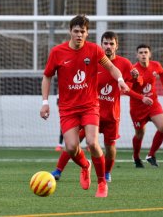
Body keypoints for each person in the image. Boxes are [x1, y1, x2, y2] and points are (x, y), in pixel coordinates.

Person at [40, 15, 129, 198]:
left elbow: (112, 67)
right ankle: (85, 165)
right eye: (76, 31)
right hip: (67, 108)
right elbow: (47, 76)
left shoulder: (94, 50)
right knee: (71, 147)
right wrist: (45, 102)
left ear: (87, 33)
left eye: (83, 31)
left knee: (91, 142)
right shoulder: (57, 52)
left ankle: (102, 183)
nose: (79, 35)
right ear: (70, 32)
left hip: (90, 106)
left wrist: (120, 79)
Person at [50, 31, 139, 183]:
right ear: (101, 44)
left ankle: (106, 173)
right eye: (105, 43)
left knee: (110, 147)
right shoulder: (91, 60)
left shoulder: (123, 64)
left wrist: (137, 78)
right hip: (90, 111)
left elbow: (133, 84)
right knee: (73, 141)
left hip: (111, 114)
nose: (108, 46)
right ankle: (58, 170)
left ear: (116, 46)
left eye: (111, 43)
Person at [130, 44, 163, 168]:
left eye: (146, 52)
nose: (143, 54)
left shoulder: (155, 65)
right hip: (137, 108)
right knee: (140, 134)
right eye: (140, 52)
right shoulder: (133, 70)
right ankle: (136, 157)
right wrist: (142, 98)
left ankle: (151, 155)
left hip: (153, 104)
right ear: (137, 55)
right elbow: (127, 90)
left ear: (150, 54)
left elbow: (162, 74)